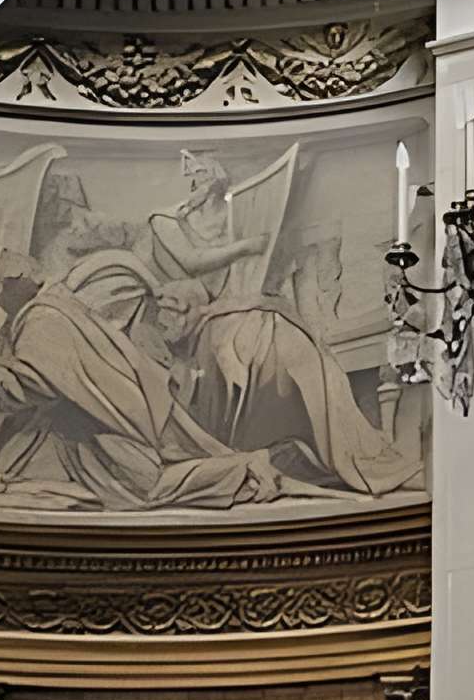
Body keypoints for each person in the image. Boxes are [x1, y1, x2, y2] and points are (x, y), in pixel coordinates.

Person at [146, 151, 413, 495]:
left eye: (206, 179)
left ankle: (332, 447)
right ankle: (250, 448)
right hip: (196, 320)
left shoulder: (226, 219)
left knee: (283, 338)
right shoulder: (165, 220)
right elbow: (192, 262)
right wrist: (247, 247)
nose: (200, 186)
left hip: (235, 312)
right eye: (197, 179)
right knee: (247, 342)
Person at [0, 252, 287, 509]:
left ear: (12, 286)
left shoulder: (40, 320)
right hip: (104, 415)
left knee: (145, 490)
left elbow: (33, 388)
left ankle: (247, 467)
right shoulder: (50, 306)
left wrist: (0, 369)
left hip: (106, 424)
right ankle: (239, 466)